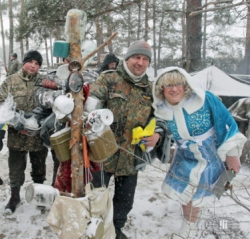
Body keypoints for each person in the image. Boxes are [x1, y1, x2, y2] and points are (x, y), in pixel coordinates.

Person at [152, 67, 246, 238]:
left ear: (185, 85)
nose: (174, 89)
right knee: (184, 191)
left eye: (178, 84)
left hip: (209, 153)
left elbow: (227, 122)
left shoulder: (205, 98)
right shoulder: (160, 109)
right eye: (168, 85)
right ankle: (190, 221)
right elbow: (161, 129)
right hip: (185, 154)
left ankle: (189, 227)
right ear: (161, 89)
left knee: (197, 191)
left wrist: (232, 154)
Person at [89, 39, 163, 239]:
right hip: (102, 155)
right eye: (136, 57)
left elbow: (162, 117)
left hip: (131, 157)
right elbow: (90, 108)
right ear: (127, 58)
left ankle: (115, 229)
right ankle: (94, 229)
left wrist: (158, 134)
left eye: (145, 59)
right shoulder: (108, 80)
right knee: (95, 196)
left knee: (124, 200)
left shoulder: (152, 88)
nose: (140, 63)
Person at [0, 50, 49, 214]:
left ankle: (40, 195)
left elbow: (51, 106)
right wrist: (16, 122)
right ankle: (14, 197)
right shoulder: (10, 81)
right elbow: (0, 104)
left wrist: (39, 122)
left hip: (38, 136)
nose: (33, 66)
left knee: (39, 168)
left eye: (37, 63)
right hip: (16, 135)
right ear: (24, 62)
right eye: (31, 62)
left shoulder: (44, 82)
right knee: (16, 168)